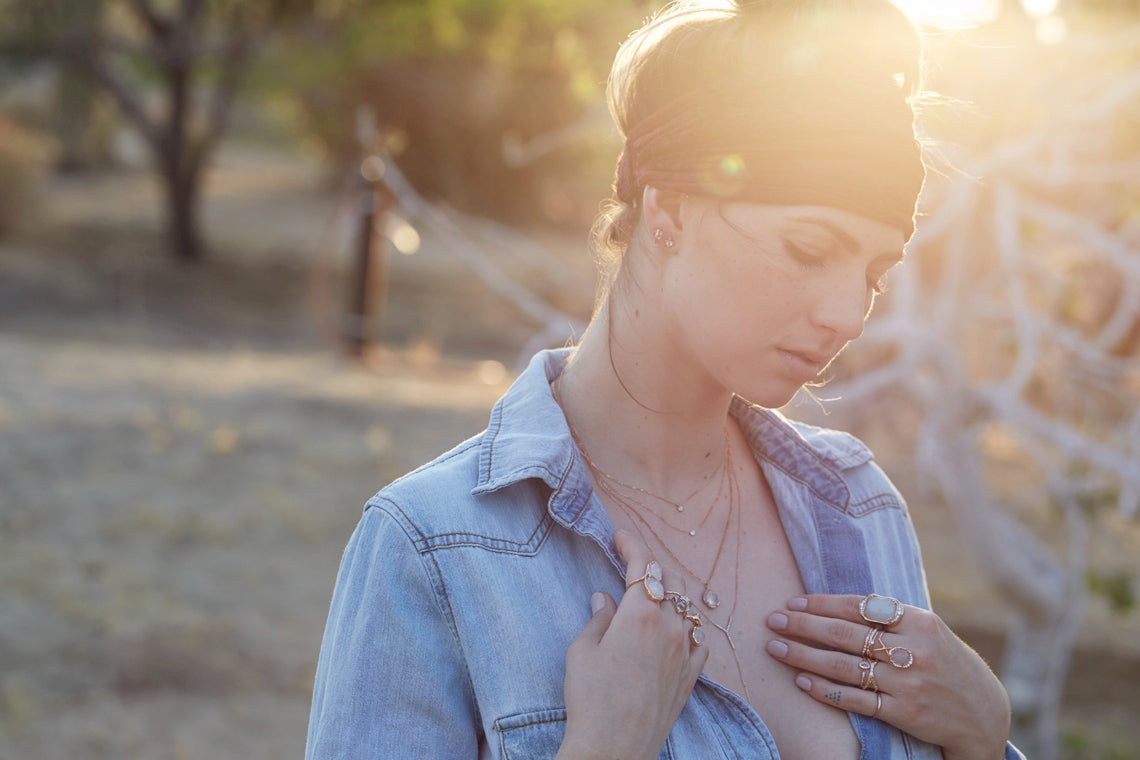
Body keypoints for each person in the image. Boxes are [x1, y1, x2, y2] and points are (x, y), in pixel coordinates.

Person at [305, 1, 1024, 758]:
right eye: (811, 249)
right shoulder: (435, 549)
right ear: (669, 211)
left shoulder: (855, 504)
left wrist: (985, 738)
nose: (849, 312)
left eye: (875, 275)